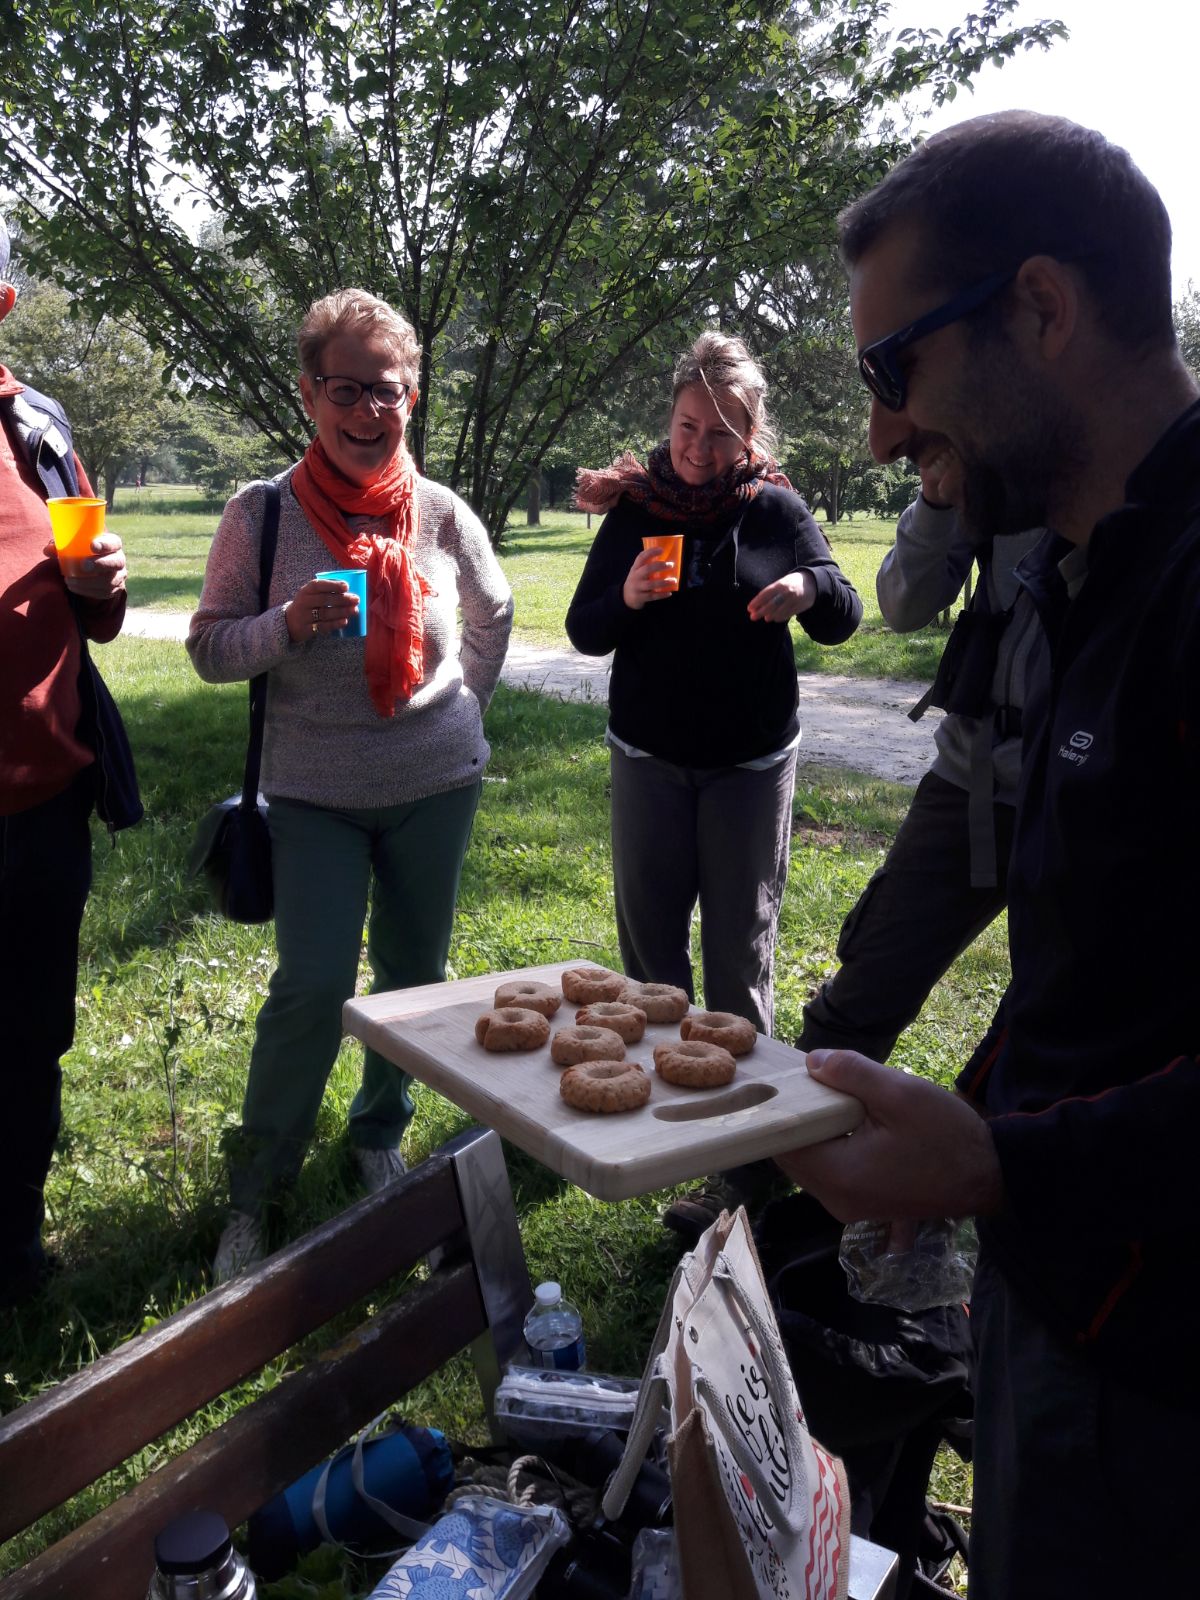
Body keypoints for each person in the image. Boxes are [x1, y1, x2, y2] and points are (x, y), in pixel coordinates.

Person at [778, 112, 1200, 1597]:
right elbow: (1109, 960)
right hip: (1057, 1295)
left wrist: (1001, 1162)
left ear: (1041, 307)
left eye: (894, 372)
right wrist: (959, 1118)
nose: (885, 432)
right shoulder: (1095, 566)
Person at [188, 288, 513, 1282]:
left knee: (414, 981)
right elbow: (207, 647)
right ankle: (259, 1183)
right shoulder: (263, 512)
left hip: (433, 783)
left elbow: (494, 612)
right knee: (315, 983)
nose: (370, 413)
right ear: (307, 393)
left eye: (389, 390)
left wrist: (462, 708)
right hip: (315, 794)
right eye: (347, 389)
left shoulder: (443, 511)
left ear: (412, 396)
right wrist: (286, 625)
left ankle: (380, 1131)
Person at [566, 332, 861, 1040]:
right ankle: (658, 1127)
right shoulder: (636, 511)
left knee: (739, 956)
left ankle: (744, 1140)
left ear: (750, 435)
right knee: (650, 963)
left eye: (722, 433)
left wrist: (808, 585)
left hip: (749, 769)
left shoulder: (774, 510)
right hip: (648, 759)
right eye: (688, 427)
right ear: (670, 422)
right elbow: (584, 628)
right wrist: (626, 598)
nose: (700, 448)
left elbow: (842, 613)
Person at [795, 464, 1042, 1063]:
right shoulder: (996, 452)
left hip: (1095, 794)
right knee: (862, 994)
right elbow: (905, 604)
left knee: (1062, 1030)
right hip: (974, 776)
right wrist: (937, 498)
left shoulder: (1152, 454)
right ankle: (769, 1154)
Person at [0, 214, 133, 1307]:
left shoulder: (35, 425)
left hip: (44, 799)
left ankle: (12, 1249)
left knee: (32, 1031)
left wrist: (104, 589)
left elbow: (99, 616)